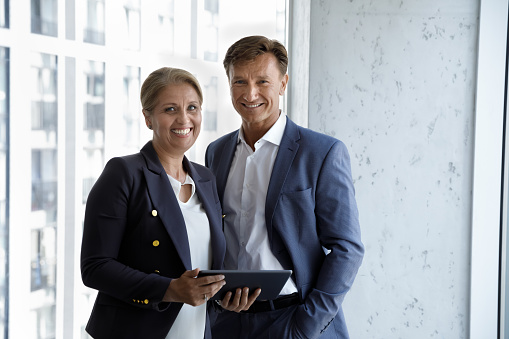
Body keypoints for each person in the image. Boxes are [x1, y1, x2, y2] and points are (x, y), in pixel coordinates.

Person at [205, 35, 364, 338]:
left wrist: (306, 325)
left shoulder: (322, 152)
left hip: (292, 320)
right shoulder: (217, 152)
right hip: (228, 321)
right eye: (239, 82)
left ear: (283, 83)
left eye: (262, 81)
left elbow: (348, 248)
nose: (250, 93)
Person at [81, 67, 227, 339]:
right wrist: (169, 289)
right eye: (170, 109)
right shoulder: (123, 173)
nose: (184, 118)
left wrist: (225, 295)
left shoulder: (206, 178)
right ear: (148, 118)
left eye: (192, 107)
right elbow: (95, 267)